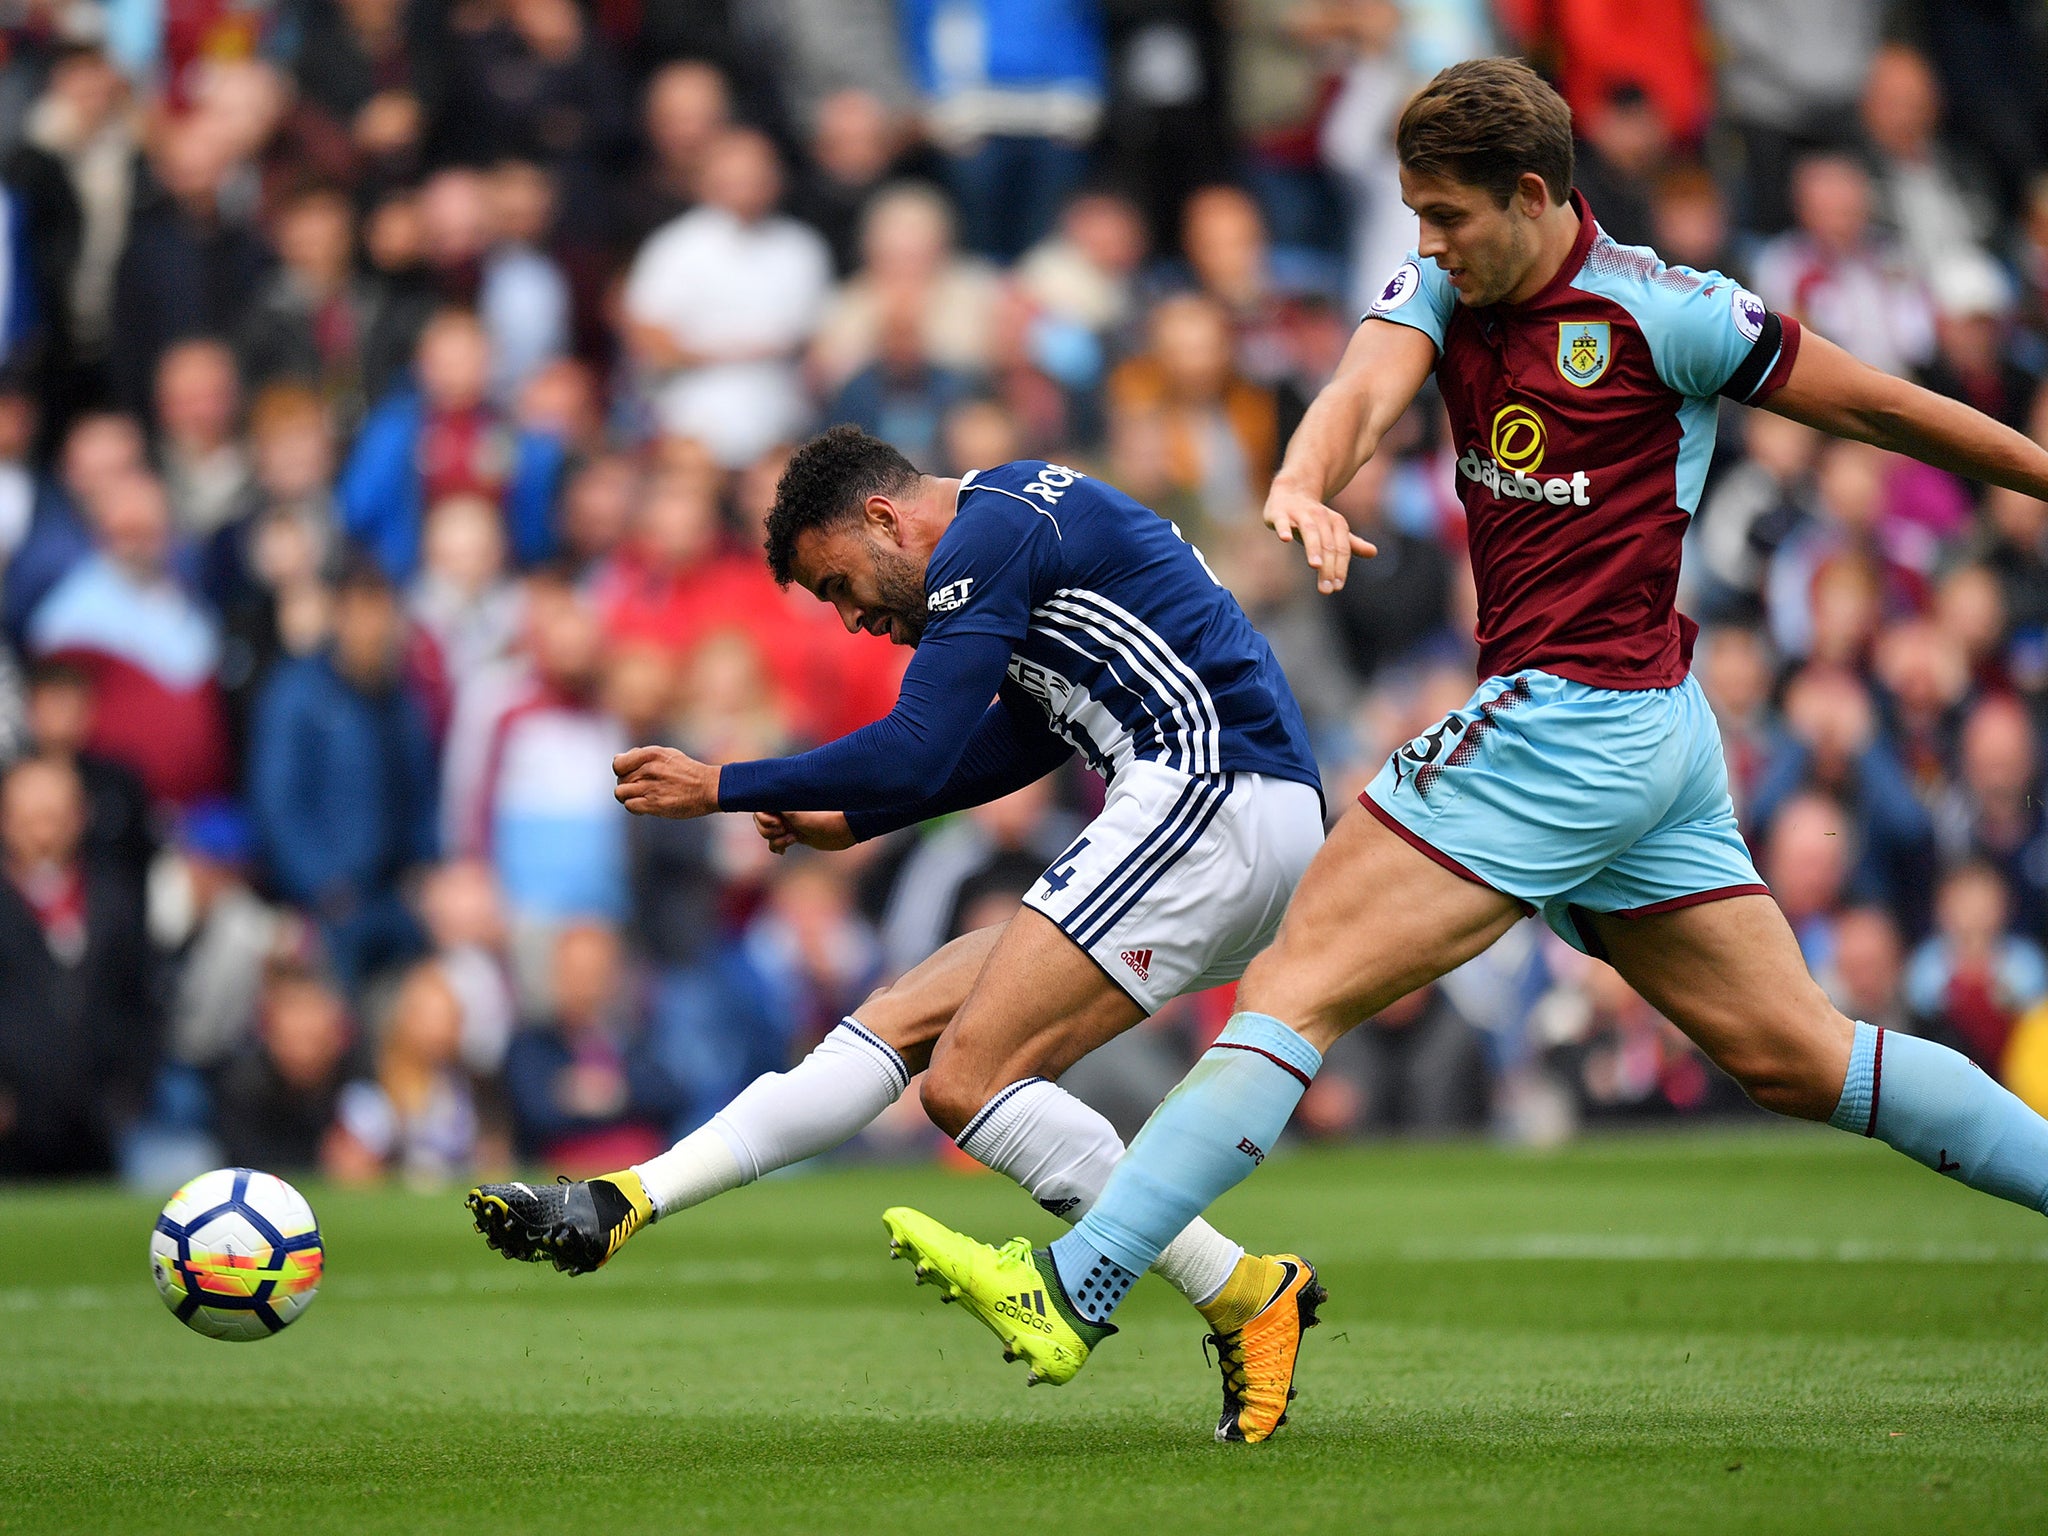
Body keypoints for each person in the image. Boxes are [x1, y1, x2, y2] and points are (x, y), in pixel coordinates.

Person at [885, 57, 2048, 1428]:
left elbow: (1879, 407)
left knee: (1295, 986)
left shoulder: (1665, 313)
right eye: (1413, 216)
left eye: (1444, 216)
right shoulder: (1444, 288)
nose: (1422, 243)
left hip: (1572, 723)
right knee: (1802, 1057)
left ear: (1536, 196)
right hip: (1646, 741)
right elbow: (1363, 393)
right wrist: (1305, 483)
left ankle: (1077, 1285)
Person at [467, 424, 1329, 1442]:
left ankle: (1138, 1290)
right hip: (1218, 810)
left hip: (1210, 795)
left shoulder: (985, 539)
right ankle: (623, 1202)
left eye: (837, 584)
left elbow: (917, 749)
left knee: (967, 1081)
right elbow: (1023, 727)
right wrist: (857, 817)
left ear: (883, 518)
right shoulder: (1010, 519)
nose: (849, 619)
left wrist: (720, 785)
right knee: (905, 1016)